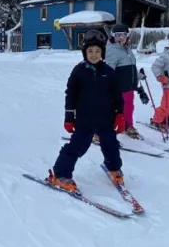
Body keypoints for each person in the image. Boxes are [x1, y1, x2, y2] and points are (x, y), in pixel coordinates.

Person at [45, 30, 125, 193]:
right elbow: (71, 95)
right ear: (84, 52)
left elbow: (117, 95)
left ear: (102, 52)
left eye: (97, 51)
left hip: (106, 119)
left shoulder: (108, 72)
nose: (94, 54)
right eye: (90, 51)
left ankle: (113, 167)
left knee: (111, 145)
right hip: (84, 120)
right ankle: (60, 174)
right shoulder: (78, 71)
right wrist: (69, 117)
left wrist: (120, 114)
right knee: (77, 147)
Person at [104, 23, 148, 138]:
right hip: (119, 86)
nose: (120, 37)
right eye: (117, 35)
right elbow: (109, 69)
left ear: (127, 36)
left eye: (123, 35)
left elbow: (130, 68)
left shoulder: (127, 49)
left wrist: (139, 76)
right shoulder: (112, 50)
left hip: (129, 86)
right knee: (118, 108)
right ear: (113, 36)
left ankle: (128, 125)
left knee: (129, 107)